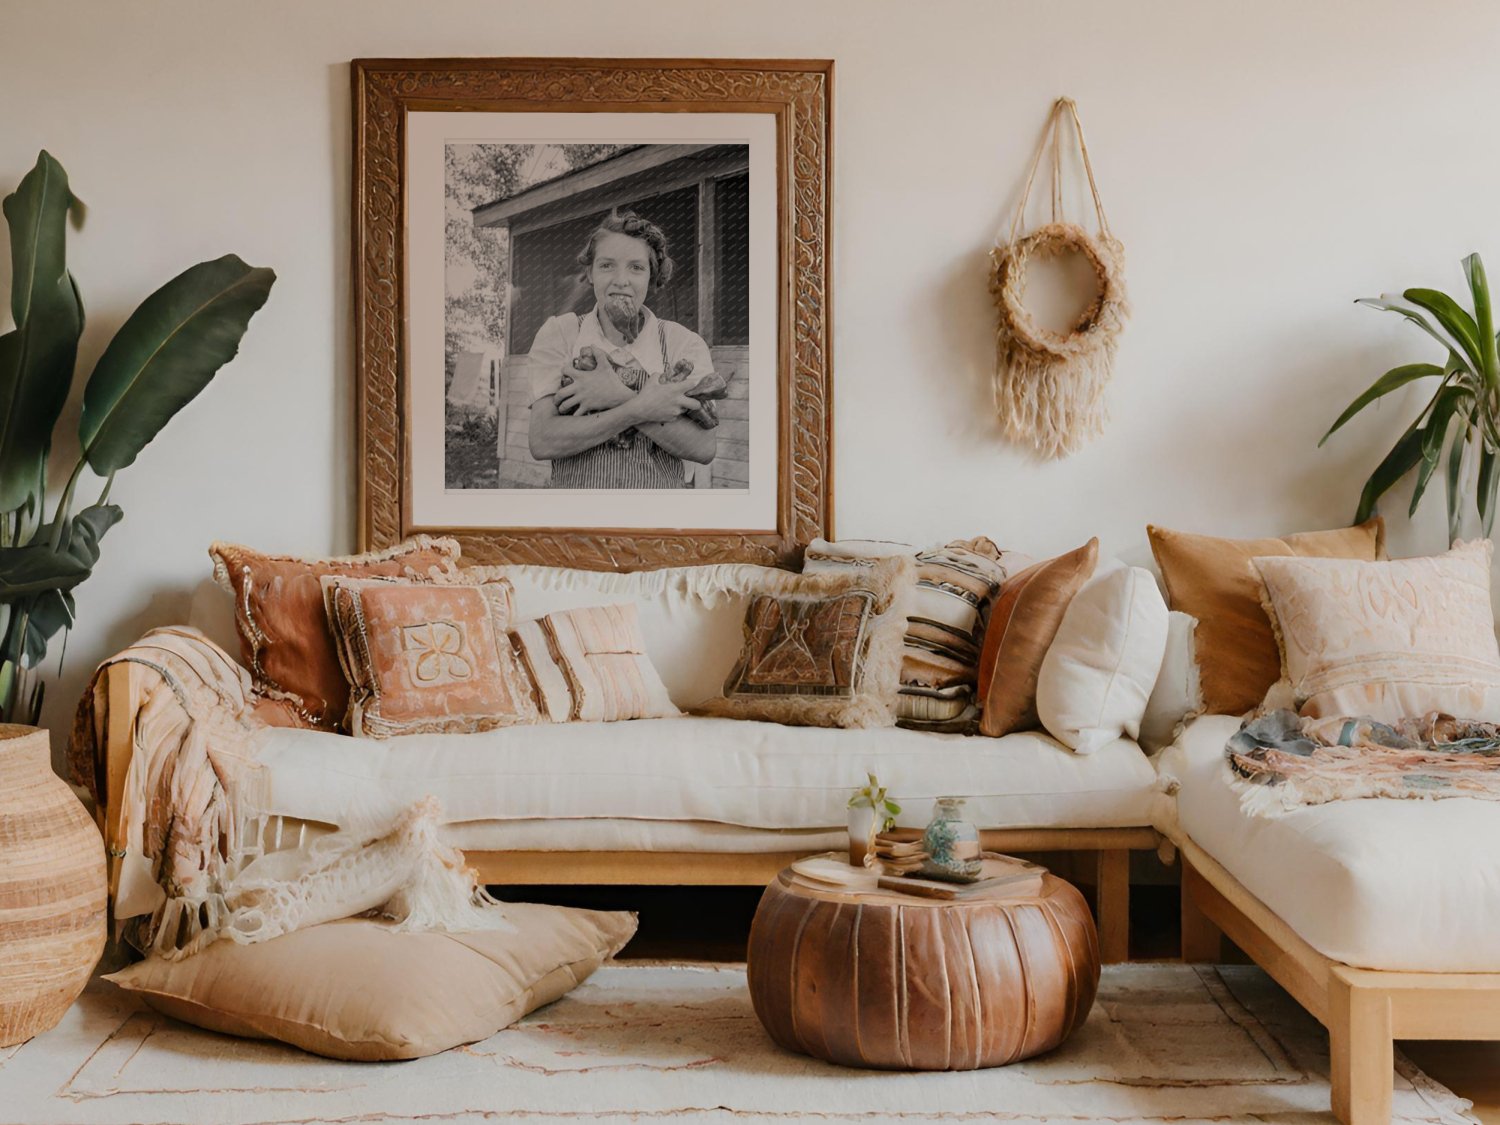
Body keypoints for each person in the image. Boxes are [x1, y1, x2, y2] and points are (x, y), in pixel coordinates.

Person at [525, 210, 717, 488]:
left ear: (652, 276)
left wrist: (615, 395)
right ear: (590, 273)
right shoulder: (561, 334)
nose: (621, 280)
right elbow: (542, 441)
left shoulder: (683, 344)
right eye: (607, 265)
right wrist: (638, 408)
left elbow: (703, 448)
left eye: (636, 267)